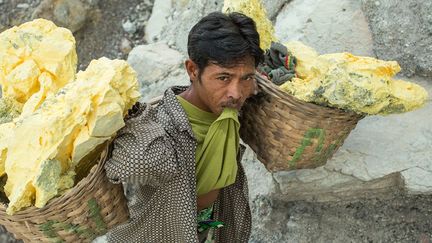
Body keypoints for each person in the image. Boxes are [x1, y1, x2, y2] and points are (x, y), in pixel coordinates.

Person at [104, 11, 264, 242]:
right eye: (223, 78)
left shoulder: (228, 106)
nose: (236, 93)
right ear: (192, 70)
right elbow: (122, 166)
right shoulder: (164, 126)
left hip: (206, 224)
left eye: (246, 78)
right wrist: (135, 120)